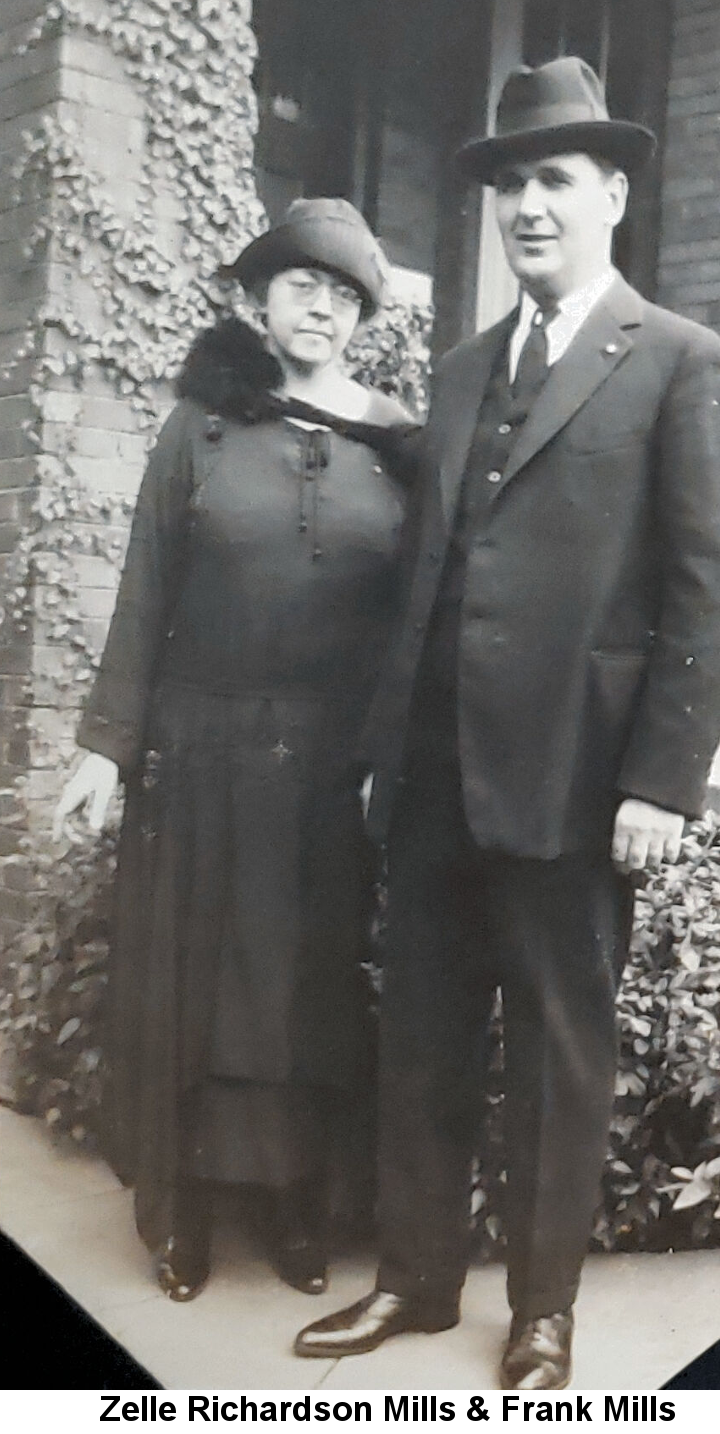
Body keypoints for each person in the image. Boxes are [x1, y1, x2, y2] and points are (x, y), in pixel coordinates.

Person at [294, 58, 720, 1389]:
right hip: (435, 778)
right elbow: (424, 583)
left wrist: (661, 782)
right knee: (425, 1033)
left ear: (609, 191)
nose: (527, 206)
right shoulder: (455, 373)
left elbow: (712, 596)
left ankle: (542, 1310)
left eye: (553, 178)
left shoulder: (677, 359)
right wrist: (387, 755)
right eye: (509, 183)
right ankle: (415, 1283)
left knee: (557, 1058)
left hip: (573, 779)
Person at [53, 198, 416, 1303]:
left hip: (327, 773)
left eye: (344, 292)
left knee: (307, 985)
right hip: (201, 756)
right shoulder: (199, 429)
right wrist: (107, 748)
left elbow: (419, 615)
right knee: (199, 987)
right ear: (260, 301)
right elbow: (145, 590)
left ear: (361, 318)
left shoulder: (396, 443)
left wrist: (396, 757)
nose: (322, 305)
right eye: (301, 284)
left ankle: (300, 1208)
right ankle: (188, 1218)